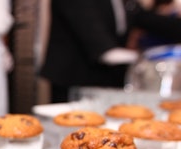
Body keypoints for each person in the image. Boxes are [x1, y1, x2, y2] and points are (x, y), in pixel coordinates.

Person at [39, 0, 181, 103]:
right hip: (75, 78)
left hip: (108, 78)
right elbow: (102, 47)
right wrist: (142, 58)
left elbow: (146, 19)